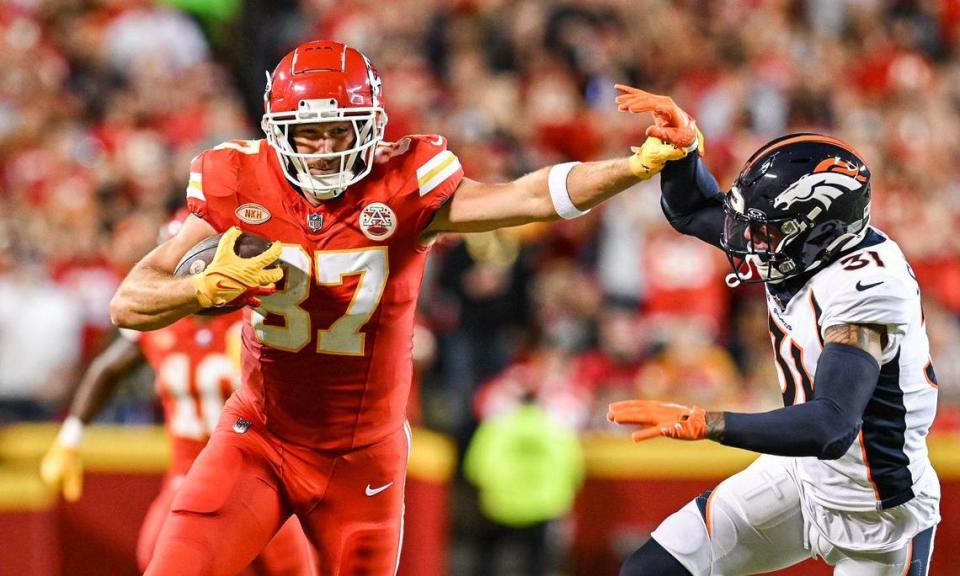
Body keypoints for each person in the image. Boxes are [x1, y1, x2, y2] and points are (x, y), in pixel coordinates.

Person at [108, 40, 687, 576]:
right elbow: (129, 302)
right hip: (258, 437)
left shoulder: (406, 183)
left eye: (341, 130)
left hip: (363, 456)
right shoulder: (237, 181)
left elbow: (527, 196)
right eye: (308, 133)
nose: (326, 149)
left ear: (371, 126)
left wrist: (632, 167)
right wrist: (202, 289)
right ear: (276, 131)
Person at [608, 87, 940, 575]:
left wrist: (709, 423)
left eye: (768, 229)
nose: (749, 240)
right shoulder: (796, 246)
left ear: (819, 231)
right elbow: (695, 211)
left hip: (880, 516)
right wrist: (684, 150)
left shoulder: (866, 288)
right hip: (803, 476)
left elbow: (831, 425)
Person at [40, 217, 317, 576]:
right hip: (187, 476)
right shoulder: (158, 323)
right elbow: (107, 370)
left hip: (258, 474)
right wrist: (71, 437)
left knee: (292, 569)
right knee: (154, 556)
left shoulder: (255, 318)